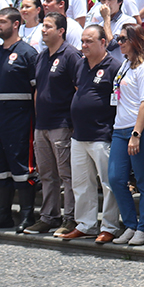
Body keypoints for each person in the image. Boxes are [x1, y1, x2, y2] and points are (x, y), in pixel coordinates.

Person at [58, 25, 122, 244]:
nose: (84, 45)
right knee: (81, 182)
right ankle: (86, 224)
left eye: (89, 41)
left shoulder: (114, 66)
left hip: (102, 134)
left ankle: (110, 226)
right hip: (79, 134)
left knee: (108, 184)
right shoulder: (80, 64)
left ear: (103, 42)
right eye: (82, 41)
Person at [0, 7, 39, 231]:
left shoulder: (27, 53)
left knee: (22, 167)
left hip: (20, 119)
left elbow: (36, 89)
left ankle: (27, 216)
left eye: (3, 22)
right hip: (0, 119)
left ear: (16, 24)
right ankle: (2, 214)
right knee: (0, 167)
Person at [27, 13, 82, 235]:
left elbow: (80, 89)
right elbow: (38, 90)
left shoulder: (71, 55)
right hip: (42, 124)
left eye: (48, 26)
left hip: (63, 123)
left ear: (61, 31)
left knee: (67, 174)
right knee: (47, 175)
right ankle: (49, 216)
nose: (43, 30)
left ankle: (71, 218)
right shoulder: (41, 57)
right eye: (42, 26)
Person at [107, 23, 144, 247]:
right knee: (116, 178)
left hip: (140, 128)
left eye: (123, 39)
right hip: (120, 128)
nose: (119, 43)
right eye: (118, 40)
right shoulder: (125, 65)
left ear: (135, 41)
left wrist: (136, 134)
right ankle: (130, 224)